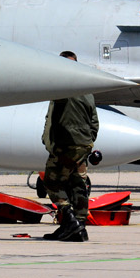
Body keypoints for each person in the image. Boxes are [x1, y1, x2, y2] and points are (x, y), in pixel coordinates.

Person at [41, 52, 100, 242]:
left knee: (51, 181)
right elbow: (94, 122)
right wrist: (87, 142)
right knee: (77, 185)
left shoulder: (63, 90)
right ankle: (79, 228)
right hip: (82, 145)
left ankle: (70, 220)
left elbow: (53, 120)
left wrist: (50, 142)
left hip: (65, 145)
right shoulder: (87, 91)